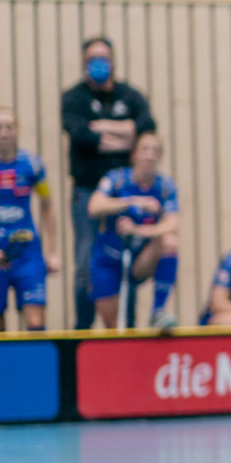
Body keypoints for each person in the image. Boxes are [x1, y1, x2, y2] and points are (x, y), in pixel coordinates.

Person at [61, 36, 156, 329]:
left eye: (103, 58)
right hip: (88, 194)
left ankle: (126, 330)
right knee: (86, 262)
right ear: (84, 63)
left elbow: (146, 128)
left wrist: (103, 128)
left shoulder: (130, 96)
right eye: (92, 59)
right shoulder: (73, 98)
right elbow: (82, 137)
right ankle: (82, 331)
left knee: (124, 259)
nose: (99, 64)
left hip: (124, 194)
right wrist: (125, 135)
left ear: (113, 61)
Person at [86, 132, 180, 331]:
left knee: (170, 243)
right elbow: (94, 207)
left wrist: (138, 230)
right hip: (108, 260)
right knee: (115, 326)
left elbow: (172, 224)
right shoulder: (116, 179)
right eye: (145, 149)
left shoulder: (165, 186)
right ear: (134, 155)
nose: (150, 155)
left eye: (155, 151)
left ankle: (157, 312)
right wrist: (133, 202)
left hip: (137, 260)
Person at [0, 108, 60, 331]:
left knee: (35, 321)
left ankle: (36, 366)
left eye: (9, 127)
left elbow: (47, 205)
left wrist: (52, 251)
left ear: (17, 130)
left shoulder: (32, 165)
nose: (4, 132)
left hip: (27, 252)